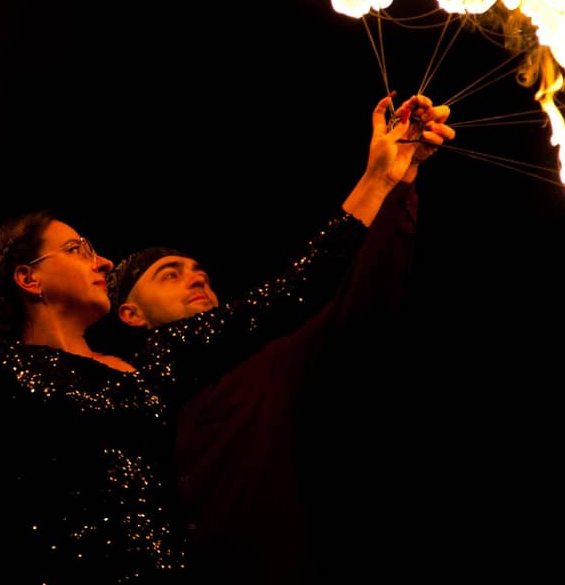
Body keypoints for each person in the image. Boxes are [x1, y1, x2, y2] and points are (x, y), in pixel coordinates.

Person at [0, 38, 452, 583]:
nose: (101, 260)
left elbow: (291, 291)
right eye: (78, 249)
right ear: (28, 278)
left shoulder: (157, 364)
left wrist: (379, 177)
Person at [102, 100, 452, 584]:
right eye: (170, 274)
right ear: (130, 314)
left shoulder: (265, 357)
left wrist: (396, 184)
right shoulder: (111, 390)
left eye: (201, 272)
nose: (197, 279)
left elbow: (363, 295)